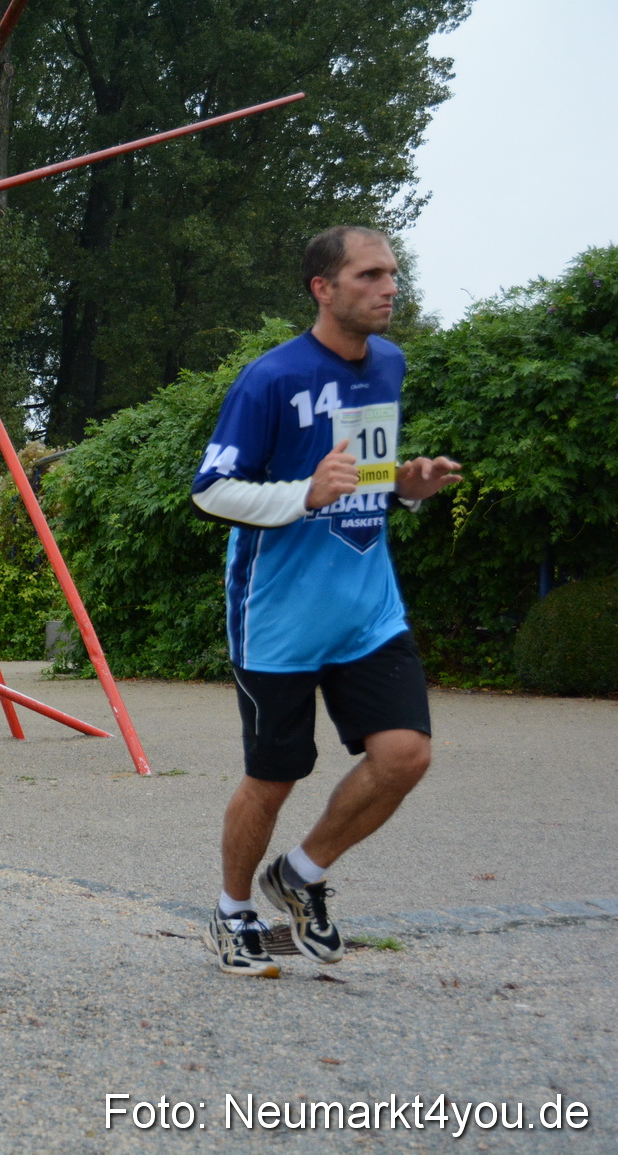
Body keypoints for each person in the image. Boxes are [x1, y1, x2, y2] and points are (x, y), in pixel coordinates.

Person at [190, 226, 463, 977]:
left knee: (405, 753)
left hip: (368, 605)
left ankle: (302, 875)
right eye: (371, 274)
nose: (389, 287)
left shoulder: (390, 365)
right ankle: (231, 911)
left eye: (394, 274)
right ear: (323, 287)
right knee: (275, 775)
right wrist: (302, 494)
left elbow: (364, 475)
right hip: (278, 613)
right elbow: (211, 491)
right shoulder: (268, 379)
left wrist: (404, 489)